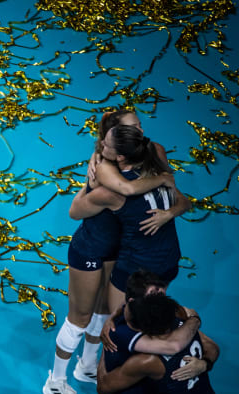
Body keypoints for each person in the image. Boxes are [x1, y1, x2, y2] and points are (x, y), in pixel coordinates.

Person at [44, 110, 178, 394]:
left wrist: (167, 202)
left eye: (140, 128)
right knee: (79, 317)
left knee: (104, 314)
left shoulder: (149, 155)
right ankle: (55, 381)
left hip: (119, 250)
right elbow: (76, 211)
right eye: (134, 130)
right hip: (90, 249)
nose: (142, 133)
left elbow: (161, 187)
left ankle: (87, 366)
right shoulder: (107, 177)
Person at [69, 124, 191, 323]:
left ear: (120, 157)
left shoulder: (111, 192)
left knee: (119, 325)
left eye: (106, 144)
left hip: (134, 267)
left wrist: (90, 182)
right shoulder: (159, 175)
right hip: (169, 263)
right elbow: (185, 201)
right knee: (149, 320)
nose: (100, 146)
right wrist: (169, 213)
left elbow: (74, 212)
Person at [69, 270, 202, 394]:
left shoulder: (138, 340)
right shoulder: (157, 322)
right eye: (155, 294)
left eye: (162, 294)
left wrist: (204, 363)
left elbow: (175, 346)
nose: (160, 298)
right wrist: (194, 320)